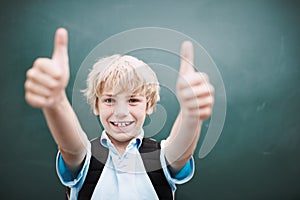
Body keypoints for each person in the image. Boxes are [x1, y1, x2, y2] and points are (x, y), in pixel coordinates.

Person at [24, 28, 214, 200]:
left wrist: (191, 114)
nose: (121, 113)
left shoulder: (161, 157)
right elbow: (71, 148)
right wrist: (56, 103)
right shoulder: (86, 157)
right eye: (109, 100)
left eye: (133, 100)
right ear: (96, 106)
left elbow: (181, 152)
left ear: (149, 106)